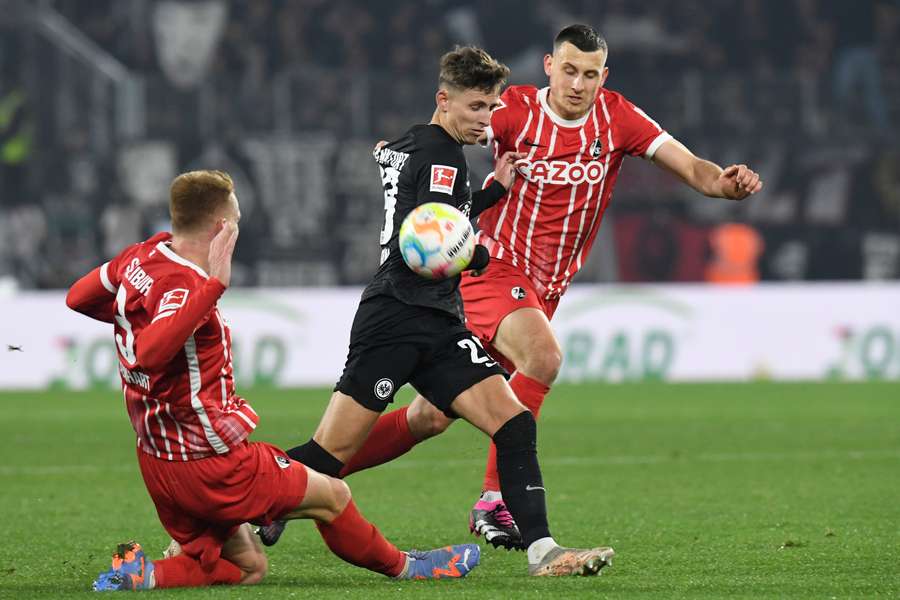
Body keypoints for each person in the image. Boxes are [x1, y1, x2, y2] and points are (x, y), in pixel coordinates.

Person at [271, 24, 766, 551]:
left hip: (546, 289)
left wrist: (723, 183)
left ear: (605, 76)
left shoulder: (619, 118)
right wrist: (400, 154)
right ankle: (495, 502)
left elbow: (692, 167)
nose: (578, 84)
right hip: (493, 268)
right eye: (569, 70)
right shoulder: (513, 111)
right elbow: (450, 124)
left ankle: (291, 485)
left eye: (590, 74)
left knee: (430, 417)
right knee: (544, 358)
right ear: (550, 66)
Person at [260, 46, 614, 577]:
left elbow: (431, 209)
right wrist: (482, 253)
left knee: (513, 423)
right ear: (443, 100)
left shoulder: (413, 143)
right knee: (327, 456)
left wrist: (491, 191)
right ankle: (236, 510)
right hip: (398, 318)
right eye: (475, 107)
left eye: (493, 108)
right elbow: (422, 247)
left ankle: (546, 552)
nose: (486, 120)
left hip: (439, 323)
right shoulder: (444, 156)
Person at [66, 170, 480, 591]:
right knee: (332, 496)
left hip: (158, 462)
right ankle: (409, 568)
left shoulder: (142, 256)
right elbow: (153, 354)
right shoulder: (188, 285)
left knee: (249, 566)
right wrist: (215, 286)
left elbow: (78, 297)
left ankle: (143, 573)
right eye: (237, 220)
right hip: (210, 462)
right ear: (220, 227)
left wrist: (136, 319)